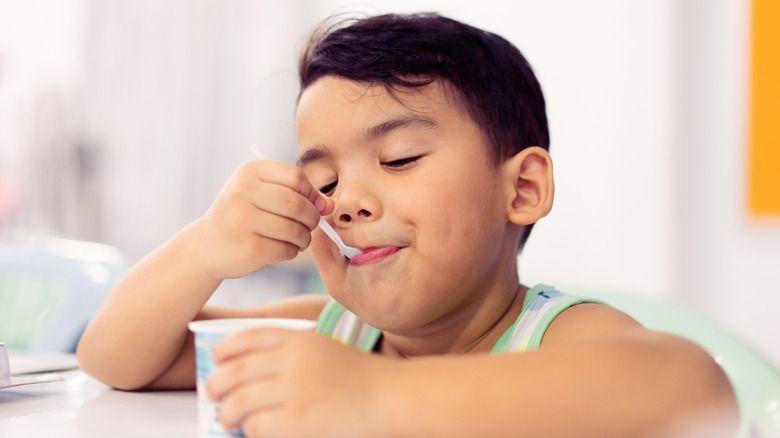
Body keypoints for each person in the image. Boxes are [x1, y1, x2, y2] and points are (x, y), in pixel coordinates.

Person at [77, 12, 738, 438]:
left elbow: (696, 388)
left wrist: (376, 398)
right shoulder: (337, 334)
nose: (346, 202)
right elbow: (118, 359)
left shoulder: (551, 336)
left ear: (523, 188)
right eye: (325, 180)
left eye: (398, 159)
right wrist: (203, 250)